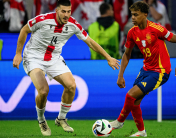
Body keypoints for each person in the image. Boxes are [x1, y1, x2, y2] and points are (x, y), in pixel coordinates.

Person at [12, 0, 120, 136]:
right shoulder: (43, 19)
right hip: (33, 58)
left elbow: (90, 42)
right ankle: (41, 120)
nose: (66, 15)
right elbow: (24, 30)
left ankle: (61, 118)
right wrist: (17, 53)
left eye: (69, 11)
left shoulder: (73, 24)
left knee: (71, 85)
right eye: (63, 11)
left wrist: (108, 57)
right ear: (57, 11)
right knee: (44, 90)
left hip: (54, 59)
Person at [109, 1, 176, 137]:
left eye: (136, 15)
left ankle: (119, 122)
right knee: (135, 101)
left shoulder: (157, 29)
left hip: (160, 71)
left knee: (130, 95)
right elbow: (127, 54)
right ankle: (142, 132)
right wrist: (120, 75)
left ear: (145, 15)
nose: (133, 18)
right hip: (145, 69)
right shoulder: (132, 32)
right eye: (132, 15)